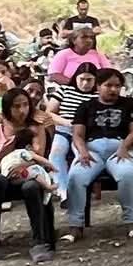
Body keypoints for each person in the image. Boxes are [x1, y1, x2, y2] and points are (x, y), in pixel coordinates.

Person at [64, 66, 133, 238]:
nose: (113, 89)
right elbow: (78, 134)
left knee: (127, 174)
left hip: (121, 148)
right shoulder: (86, 106)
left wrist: (124, 147)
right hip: (92, 150)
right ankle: (75, 225)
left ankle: (131, 222)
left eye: (117, 86)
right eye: (108, 85)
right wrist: (82, 152)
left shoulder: (130, 104)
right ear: (98, 86)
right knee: (76, 176)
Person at [0, 87, 58, 262]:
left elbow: (39, 157)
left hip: (29, 176)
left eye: (25, 105)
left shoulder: (36, 128)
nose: (22, 110)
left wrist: (22, 165)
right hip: (3, 178)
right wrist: (1, 155)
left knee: (31, 187)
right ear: (7, 108)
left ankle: (39, 241)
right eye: (16, 106)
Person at [44, 63, 98, 194]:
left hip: (86, 133)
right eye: (82, 79)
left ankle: (77, 189)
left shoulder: (98, 95)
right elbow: (49, 113)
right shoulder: (64, 90)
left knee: (81, 156)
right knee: (56, 154)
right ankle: (63, 191)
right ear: (76, 78)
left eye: (89, 80)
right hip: (63, 130)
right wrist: (67, 123)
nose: (85, 83)